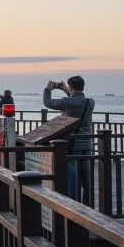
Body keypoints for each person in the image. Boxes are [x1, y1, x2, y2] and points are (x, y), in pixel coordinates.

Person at [43, 76, 95, 206]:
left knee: (71, 180)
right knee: (87, 181)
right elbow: (77, 100)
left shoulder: (66, 102)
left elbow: (48, 102)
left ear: (71, 87)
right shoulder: (90, 102)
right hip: (86, 145)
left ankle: (71, 206)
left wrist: (48, 89)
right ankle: (87, 206)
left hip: (70, 145)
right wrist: (68, 91)